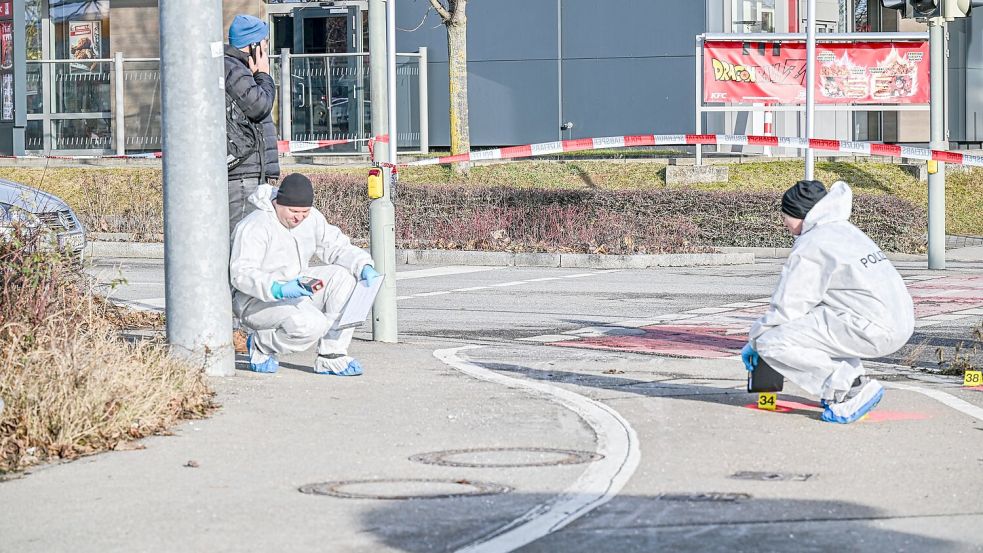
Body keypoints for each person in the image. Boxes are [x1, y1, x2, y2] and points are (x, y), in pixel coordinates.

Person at [741, 179, 914, 424]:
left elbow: (789, 305)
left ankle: (850, 388)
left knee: (773, 343)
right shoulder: (845, 230)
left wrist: (757, 339)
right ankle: (849, 379)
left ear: (801, 214)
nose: (784, 223)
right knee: (816, 325)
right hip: (896, 321)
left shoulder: (812, 245)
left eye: (786, 216)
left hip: (873, 327)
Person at [230, 174, 380, 376]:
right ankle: (261, 344)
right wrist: (277, 288)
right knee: (312, 325)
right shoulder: (255, 225)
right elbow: (241, 273)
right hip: (255, 300)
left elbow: (336, 246)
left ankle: (332, 354)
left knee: (344, 277)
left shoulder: (312, 219)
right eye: (293, 211)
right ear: (277, 204)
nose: (298, 217)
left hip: (296, 289)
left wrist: (363, 265)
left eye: (304, 212)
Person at [225, 14, 281, 235]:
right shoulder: (234, 69)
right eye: (265, 46)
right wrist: (264, 75)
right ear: (254, 46)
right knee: (241, 241)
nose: (266, 53)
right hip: (242, 176)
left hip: (249, 173)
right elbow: (260, 106)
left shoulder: (240, 70)